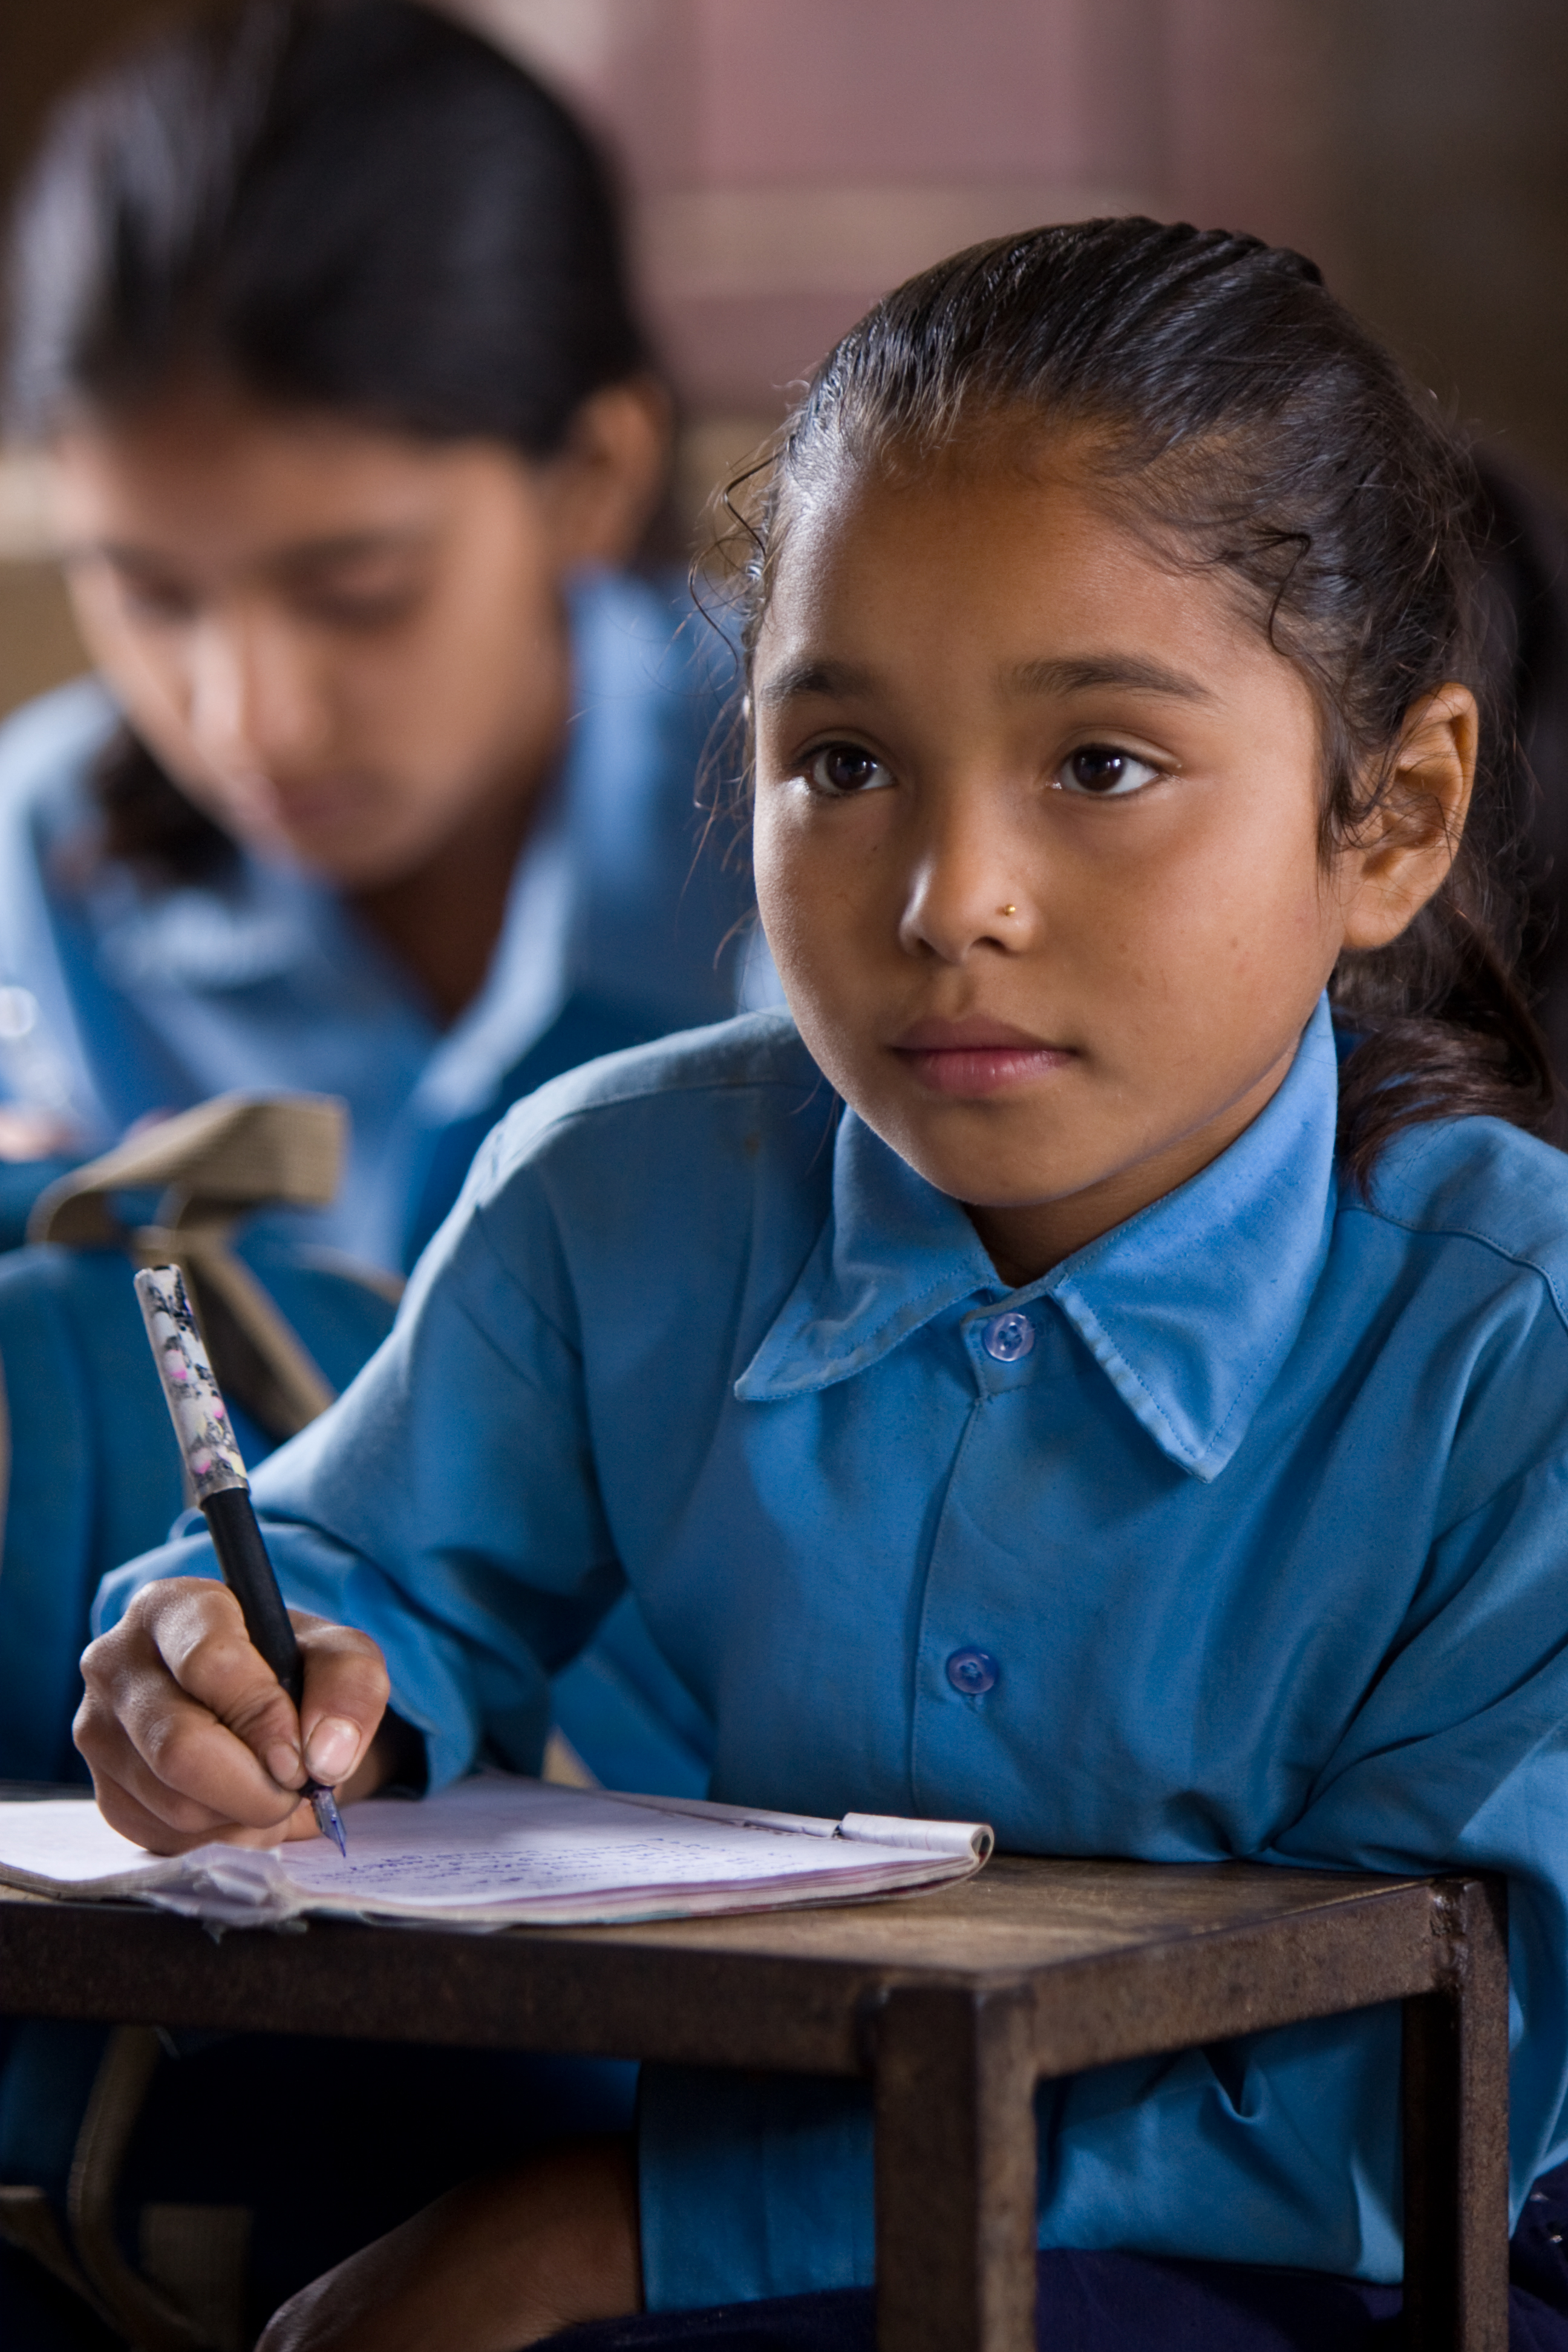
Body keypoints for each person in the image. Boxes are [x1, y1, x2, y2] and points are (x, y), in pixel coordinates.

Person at [81, 217, 1568, 2351]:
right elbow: (362, 1573)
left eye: (1101, 766)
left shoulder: (1510, 1354)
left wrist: (619, 2229)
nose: (952, 899)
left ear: (1394, 815)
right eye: (842, 764)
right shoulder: (627, 1193)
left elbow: (1401, 2105)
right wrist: (248, 1672)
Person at [0, 0, 757, 1275]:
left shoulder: (852, 801)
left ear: (591, 473)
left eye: (359, 591)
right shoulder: (46, 853)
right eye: (149, 596)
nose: (247, 721)